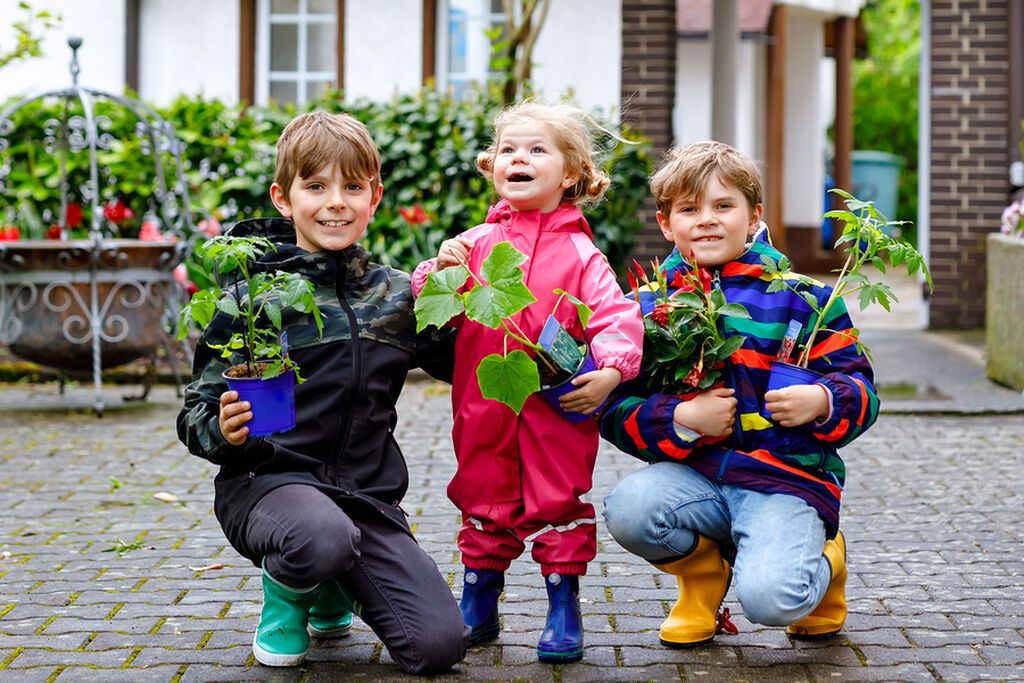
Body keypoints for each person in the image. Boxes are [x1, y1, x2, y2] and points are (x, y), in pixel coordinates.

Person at [176, 111, 469, 674]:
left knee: (438, 647)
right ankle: (289, 594)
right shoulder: (252, 301)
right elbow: (196, 409)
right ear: (283, 198)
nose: (336, 202)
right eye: (316, 186)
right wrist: (223, 428)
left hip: (366, 498)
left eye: (352, 187)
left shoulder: (398, 295)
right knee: (320, 535)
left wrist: (468, 292)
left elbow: (468, 364)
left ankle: (336, 581)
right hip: (267, 484)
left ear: (374, 197)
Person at [600, 141, 878, 647]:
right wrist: (681, 416)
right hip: (698, 478)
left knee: (773, 601)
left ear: (754, 217)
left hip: (784, 482)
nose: (706, 220)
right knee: (629, 509)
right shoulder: (646, 307)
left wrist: (823, 400)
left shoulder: (805, 298)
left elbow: (862, 389)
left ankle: (827, 561)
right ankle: (703, 578)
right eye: (689, 209)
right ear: (666, 224)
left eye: (723, 206)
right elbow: (615, 410)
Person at [411, 101, 643, 663]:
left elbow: (616, 316)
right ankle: (479, 596)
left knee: (558, 499)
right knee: (482, 492)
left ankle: (563, 602)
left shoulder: (582, 254)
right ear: (493, 168)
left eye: (537, 149)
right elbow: (430, 305)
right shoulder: (475, 244)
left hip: (555, 411)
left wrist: (610, 371)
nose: (521, 158)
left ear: (570, 174)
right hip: (484, 404)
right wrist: (438, 270)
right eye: (510, 150)